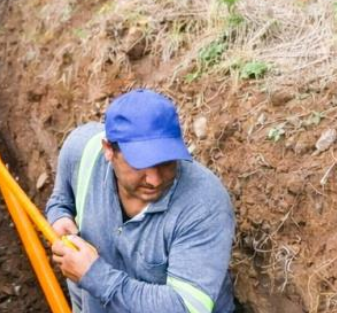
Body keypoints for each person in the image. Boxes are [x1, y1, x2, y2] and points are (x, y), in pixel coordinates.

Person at [46, 89, 236, 313]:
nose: (154, 180)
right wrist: (59, 216)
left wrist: (94, 275)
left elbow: (184, 308)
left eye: (166, 163)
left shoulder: (204, 204)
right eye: (140, 164)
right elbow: (60, 199)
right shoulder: (81, 150)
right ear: (108, 149)